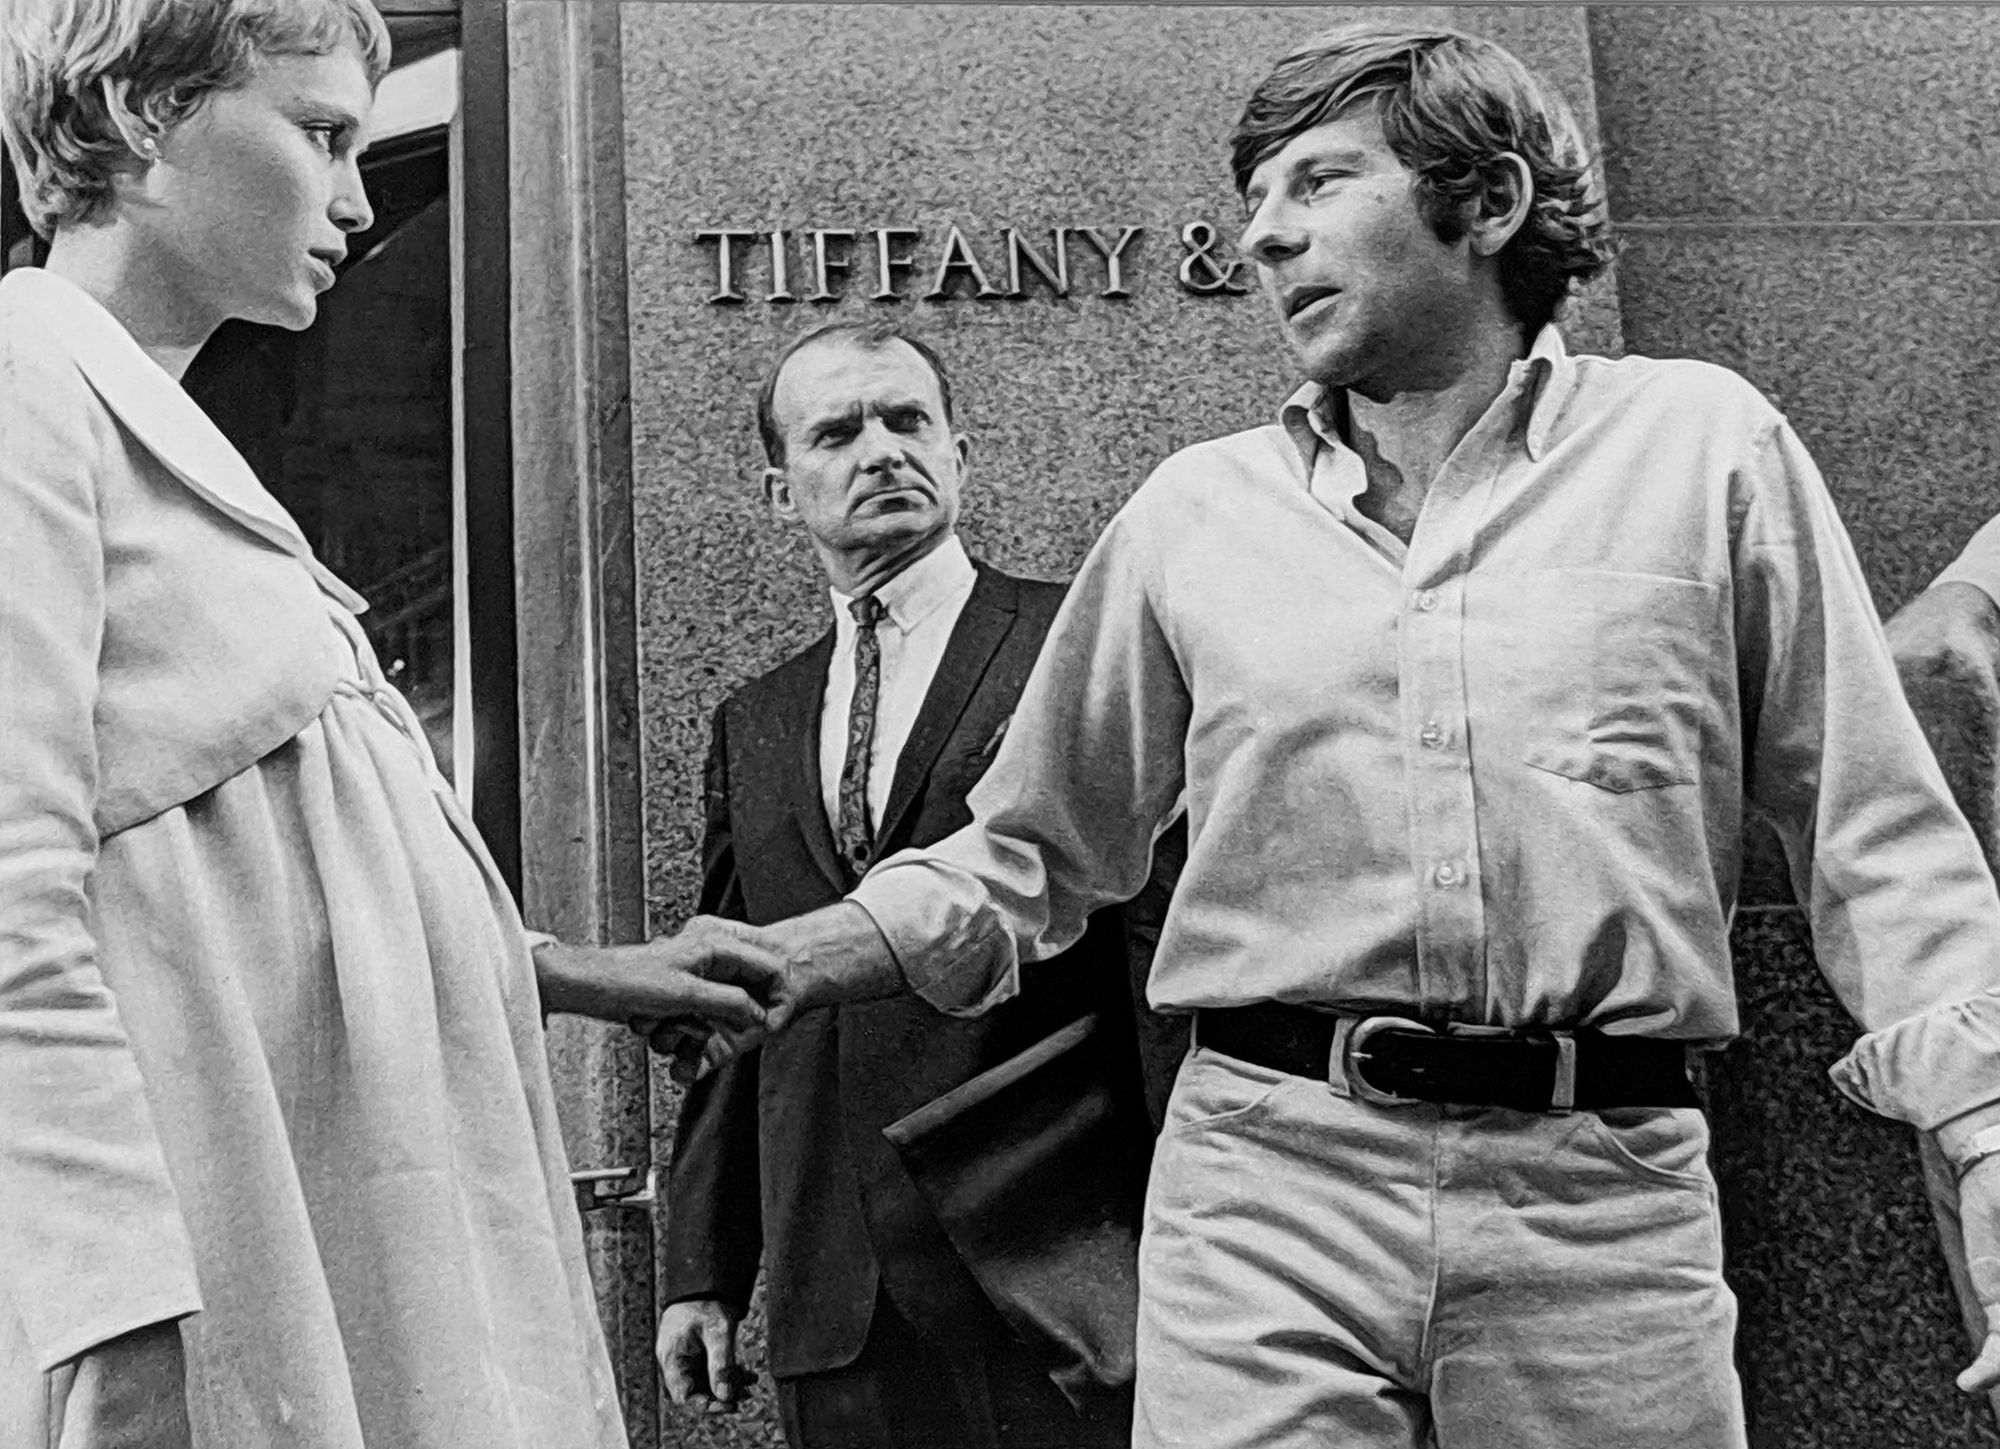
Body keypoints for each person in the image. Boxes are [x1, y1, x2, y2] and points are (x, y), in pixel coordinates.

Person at [683, 24, 2000, 1449]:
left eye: (1314, 184)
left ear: (1485, 201)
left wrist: (1988, 1147)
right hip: (1264, 1190)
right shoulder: (1195, 514)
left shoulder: (1705, 451)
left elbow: (1877, 835)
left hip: (1604, 1205)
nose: (1262, 238)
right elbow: (1022, 855)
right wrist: (783, 957)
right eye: (1252, 203)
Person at [0, 3, 781, 1446]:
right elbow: (7, 889)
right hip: (214, 1261)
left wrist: (577, 971)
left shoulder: (148, 426)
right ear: (139, 114)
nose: (358, 199)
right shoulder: (24, 386)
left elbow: (277, 868)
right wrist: (104, 1295)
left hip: (342, 1229)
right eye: (323, 134)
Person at [655, 319, 1161, 1449]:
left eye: (905, 421)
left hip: (1061, 1263)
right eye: (837, 432)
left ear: (959, 454)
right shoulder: (757, 720)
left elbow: (1149, 951)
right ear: (781, 492)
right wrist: (704, 1265)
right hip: (836, 1288)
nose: (880, 449)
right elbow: (733, 994)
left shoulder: (1072, 644)